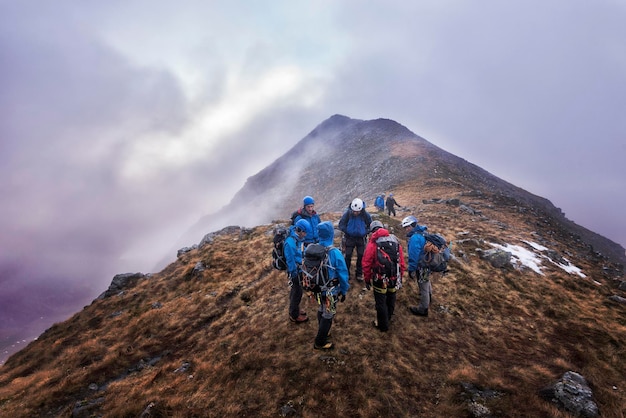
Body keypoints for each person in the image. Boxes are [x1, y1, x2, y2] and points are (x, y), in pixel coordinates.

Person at [310, 221, 350, 350]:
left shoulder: (314, 250)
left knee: (322, 309)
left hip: (316, 289)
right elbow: (343, 274)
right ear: (331, 234)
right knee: (329, 314)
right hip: (330, 291)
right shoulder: (334, 253)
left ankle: (323, 330)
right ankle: (320, 342)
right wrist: (344, 290)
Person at [362, 220, 406, 332]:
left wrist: (367, 279)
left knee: (380, 301)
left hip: (380, 277)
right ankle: (389, 317)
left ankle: (383, 325)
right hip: (394, 276)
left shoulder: (373, 242)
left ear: (372, 231)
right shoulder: (394, 240)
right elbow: (401, 261)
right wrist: (400, 275)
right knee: (391, 296)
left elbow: (366, 263)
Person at [401, 215, 431, 316]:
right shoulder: (423, 233)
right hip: (427, 262)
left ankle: (423, 309)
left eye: (407, 227)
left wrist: (411, 269)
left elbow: (413, 256)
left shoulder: (414, 238)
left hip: (421, 265)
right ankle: (429, 297)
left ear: (411, 226)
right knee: (426, 282)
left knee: (423, 285)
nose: (406, 229)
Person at [338, 198, 372, 281]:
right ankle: (347, 273)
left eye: (357, 212)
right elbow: (341, 224)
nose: (355, 213)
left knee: (361, 255)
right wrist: (347, 231)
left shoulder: (365, 214)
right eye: (354, 211)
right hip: (349, 238)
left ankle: (359, 273)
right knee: (348, 255)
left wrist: (365, 232)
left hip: (361, 238)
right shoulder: (348, 214)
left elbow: (370, 225)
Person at [285, 218, 311, 323]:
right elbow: (290, 260)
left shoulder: (297, 239)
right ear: (299, 230)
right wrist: (294, 274)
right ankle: (294, 315)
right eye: (304, 232)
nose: (305, 234)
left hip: (299, 268)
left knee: (296, 291)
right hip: (294, 271)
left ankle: (295, 309)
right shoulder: (290, 243)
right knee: (297, 292)